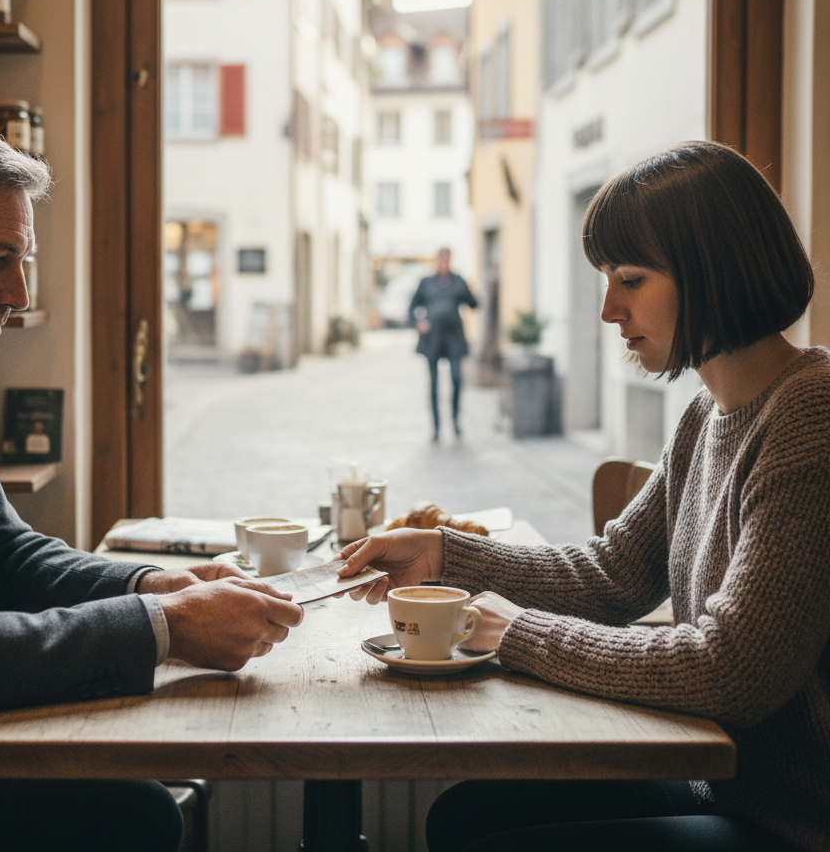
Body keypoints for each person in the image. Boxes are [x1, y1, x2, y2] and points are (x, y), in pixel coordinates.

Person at [0, 112, 304, 852]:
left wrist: (153, 589)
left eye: (23, 261)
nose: (19, 293)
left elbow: (8, 557)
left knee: (138, 814)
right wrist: (166, 632)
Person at [338, 141, 830, 852]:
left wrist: (519, 634)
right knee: (464, 817)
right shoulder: (706, 416)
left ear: (714, 273)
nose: (607, 310)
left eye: (630, 278)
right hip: (727, 788)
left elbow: (731, 669)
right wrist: (444, 555)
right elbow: (612, 575)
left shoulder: (811, 416)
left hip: (794, 821)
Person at [407, 248, 478, 440]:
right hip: (433, 339)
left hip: (454, 338)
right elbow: (412, 306)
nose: (444, 263)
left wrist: (470, 290)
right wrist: (418, 322)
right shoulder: (427, 283)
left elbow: (473, 304)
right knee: (434, 384)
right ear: (437, 261)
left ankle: (455, 421)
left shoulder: (458, 281)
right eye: (441, 260)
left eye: (447, 260)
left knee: (456, 379)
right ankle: (436, 427)